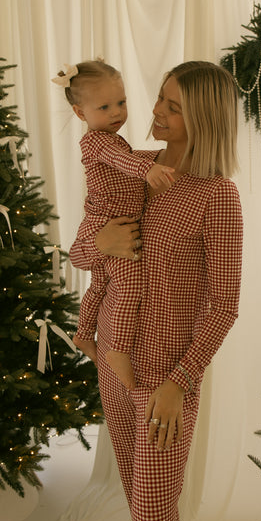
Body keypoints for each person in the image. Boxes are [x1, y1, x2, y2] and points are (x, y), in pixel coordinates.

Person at [69, 60, 243, 521]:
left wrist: (179, 383)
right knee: (147, 503)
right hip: (111, 360)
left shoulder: (217, 195)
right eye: (160, 100)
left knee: (151, 507)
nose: (154, 112)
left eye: (170, 105)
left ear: (203, 116)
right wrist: (99, 245)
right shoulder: (136, 168)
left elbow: (223, 305)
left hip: (164, 379)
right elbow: (82, 247)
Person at [53, 60, 174, 389]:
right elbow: (123, 160)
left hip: (107, 221)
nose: (117, 112)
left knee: (101, 285)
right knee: (130, 285)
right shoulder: (96, 141)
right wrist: (147, 169)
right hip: (107, 221)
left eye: (121, 103)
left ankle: (82, 335)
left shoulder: (112, 140)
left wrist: (158, 160)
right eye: (104, 106)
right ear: (81, 113)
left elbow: (128, 156)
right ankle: (117, 349)